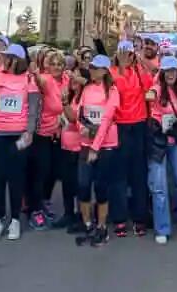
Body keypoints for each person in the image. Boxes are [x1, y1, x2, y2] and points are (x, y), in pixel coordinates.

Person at [0, 43, 40, 241]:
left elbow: (33, 109)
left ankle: (15, 219)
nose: (3, 60)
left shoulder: (29, 79)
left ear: (16, 60)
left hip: (18, 134)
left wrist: (29, 132)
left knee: (16, 178)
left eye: (7, 57)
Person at [145, 56, 177, 244]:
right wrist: (150, 93)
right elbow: (151, 93)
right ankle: (162, 228)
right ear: (162, 73)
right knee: (159, 186)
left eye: (173, 70)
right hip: (157, 142)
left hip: (176, 141)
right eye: (166, 71)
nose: (170, 74)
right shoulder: (158, 88)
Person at [74, 54, 121, 247]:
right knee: (83, 185)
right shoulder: (87, 89)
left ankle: (102, 227)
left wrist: (95, 146)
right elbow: (80, 113)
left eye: (95, 68)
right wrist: (82, 128)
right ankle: (87, 224)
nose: (91, 70)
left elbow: (107, 120)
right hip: (86, 144)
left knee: (101, 187)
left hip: (106, 145)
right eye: (91, 67)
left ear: (104, 71)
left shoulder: (112, 91)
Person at [107, 38, 151, 238]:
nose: (126, 57)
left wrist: (140, 62)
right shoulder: (111, 73)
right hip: (119, 127)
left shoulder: (139, 72)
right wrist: (122, 68)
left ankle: (140, 217)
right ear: (117, 55)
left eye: (129, 54)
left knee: (138, 174)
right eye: (123, 53)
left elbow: (150, 87)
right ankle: (119, 217)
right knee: (119, 175)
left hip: (139, 126)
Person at [27, 49, 67, 230]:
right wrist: (36, 74)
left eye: (60, 64)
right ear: (47, 66)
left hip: (58, 135)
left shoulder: (65, 80)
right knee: (40, 173)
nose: (57, 67)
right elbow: (40, 82)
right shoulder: (46, 79)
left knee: (53, 173)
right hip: (41, 134)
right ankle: (34, 210)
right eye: (53, 64)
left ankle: (44, 202)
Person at [55, 65, 85, 231]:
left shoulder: (84, 98)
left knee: (80, 184)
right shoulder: (72, 97)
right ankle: (68, 214)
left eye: (77, 77)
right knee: (67, 184)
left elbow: (74, 118)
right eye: (72, 77)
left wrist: (65, 103)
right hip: (66, 146)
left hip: (79, 147)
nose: (73, 80)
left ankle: (82, 216)